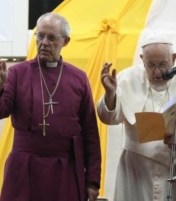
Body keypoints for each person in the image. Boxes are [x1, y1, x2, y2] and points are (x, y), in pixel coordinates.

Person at [97, 29, 176, 201]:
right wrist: (110, 95)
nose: (157, 72)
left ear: (174, 58)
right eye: (151, 65)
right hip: (137, 173)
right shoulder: (126, 79)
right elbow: (108, 118)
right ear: (142, 60)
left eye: (162, 64)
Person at [0, 13, 101, 201]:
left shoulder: (78, 78)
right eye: (40, 35)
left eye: (52, 37)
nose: (44, 42)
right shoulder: (17, 73)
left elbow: (90, 133)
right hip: (24, 167)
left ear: (66, 41)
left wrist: (92, 181)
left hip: (65, 168)